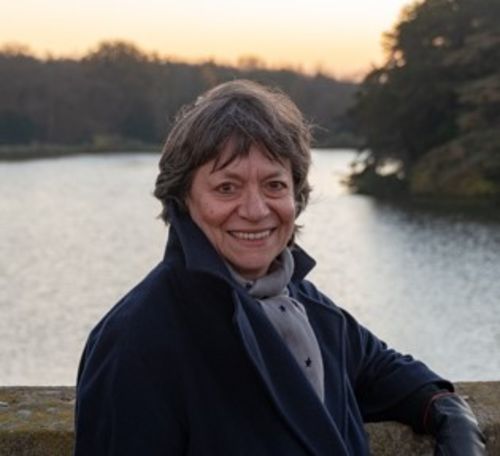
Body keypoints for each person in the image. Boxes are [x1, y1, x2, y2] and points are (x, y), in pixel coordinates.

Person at [74, 80, 486, 455]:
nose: (256, 210)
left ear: (296, 196)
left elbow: (383, 372)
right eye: (226, 187)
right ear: (183, 200)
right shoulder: (137, 338)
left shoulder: (307, 304)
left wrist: (450, 413)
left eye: (274, 185)